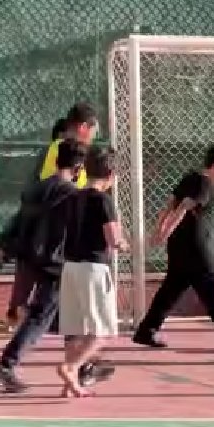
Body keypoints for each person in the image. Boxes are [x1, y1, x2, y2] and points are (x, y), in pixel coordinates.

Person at [0, 139, 111, 392]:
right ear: (79, 168)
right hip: (57, 262)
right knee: (42, 316)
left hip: (34, 258)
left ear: (56, 161)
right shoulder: (71, 194)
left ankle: (82, 366)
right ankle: (4, 367)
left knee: (68, 318)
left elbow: (18, 220)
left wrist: (4, 245)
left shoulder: (36, 189)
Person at [0, 102, 99, 332]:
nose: (94, 135)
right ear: (82, 127)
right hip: (51, 221)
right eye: (93, 129)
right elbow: (62, 185)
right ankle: (24, 315)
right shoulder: (62, 149)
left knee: (31, 268)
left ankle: (19, 314)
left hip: (45, 220)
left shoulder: (65, 149)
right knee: (42, 269)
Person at [132, 146, 214, 349]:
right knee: (210, 287)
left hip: (179, 246)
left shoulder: (190, 177)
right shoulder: (204, 184)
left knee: (171, 288)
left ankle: (147, 330)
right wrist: (164, 233)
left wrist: (159, 229)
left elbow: (169, 204)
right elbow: (182, 208)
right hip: (195, 248)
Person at [56, 146, 129, 398]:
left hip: (71, 267)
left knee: (74, 328)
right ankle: (71, 367)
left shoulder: (73, 197)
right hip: (94, 268)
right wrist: (123, 243)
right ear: (111, 173)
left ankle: (70, 385)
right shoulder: (103, 200)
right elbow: (112, 237)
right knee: (102, 331)